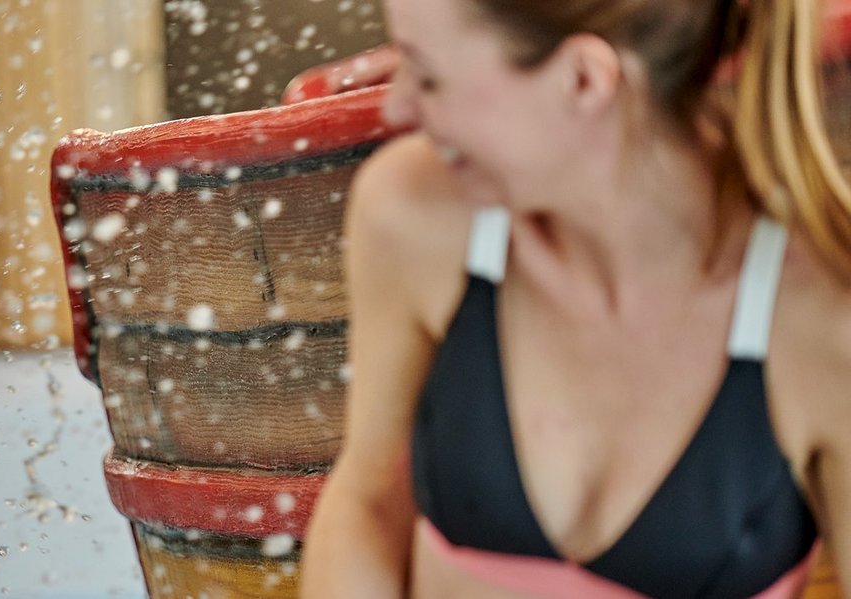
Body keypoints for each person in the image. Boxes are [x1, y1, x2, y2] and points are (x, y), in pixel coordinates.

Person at [302, 0, 851, 596]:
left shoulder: (821, 316)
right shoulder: (414, 218)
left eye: (428, 76)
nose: (396, 105)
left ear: (584, 79)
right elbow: (369, 497)